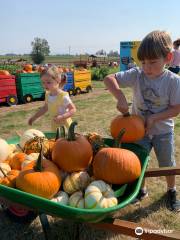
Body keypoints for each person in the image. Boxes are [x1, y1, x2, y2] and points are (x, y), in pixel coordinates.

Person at [104, 30, 180, 211]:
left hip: (163, 131)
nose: (147, 67)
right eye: (143, 62)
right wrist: (120, 97)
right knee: (138, 162)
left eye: (153, 62)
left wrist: (154, 117)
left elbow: (177, 109)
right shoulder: (137, 74)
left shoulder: (173, 81)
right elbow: (109, 79)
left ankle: (171, 190)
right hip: (138, 131)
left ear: (168, 58)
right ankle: (141, 190)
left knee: (167, 164)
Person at [28, 66, 76, 132]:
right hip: (55, 126)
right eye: (43, 82)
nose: (45, 85)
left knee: (66, 142)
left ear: (58, 80)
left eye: (48, 82)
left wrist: (62, 117)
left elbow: (73, 109)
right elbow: (45, 108)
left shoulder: (62, 96)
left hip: (65, 126)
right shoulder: (47, 95)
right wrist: (34, 118)